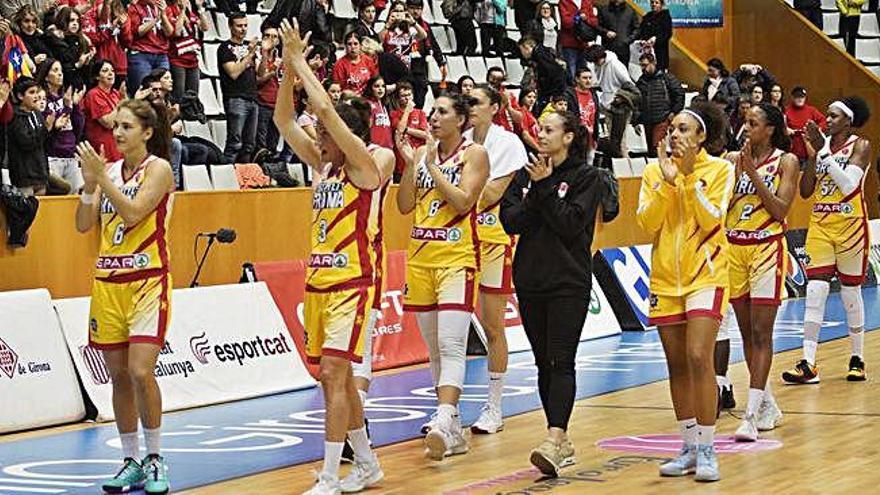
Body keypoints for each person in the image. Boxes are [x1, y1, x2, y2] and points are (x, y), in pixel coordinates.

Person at [273, 19, 394, 494]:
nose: (316, 135)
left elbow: (321, 105)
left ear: (344, 134)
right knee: (337, 381)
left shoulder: (366, 165)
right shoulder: (323, 165)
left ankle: (330, 475)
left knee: (333, 375)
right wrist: (286, 69)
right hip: (319, 284)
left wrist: (301, 62)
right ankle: (367, 463)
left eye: (323, 131)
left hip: (354, 283)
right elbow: (285, 121)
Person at [75, 97, 175, 495]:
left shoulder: (160, 169)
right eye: (115, 125)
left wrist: (105, 179)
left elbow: (134, 213)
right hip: (108, 283)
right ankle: (130, 460)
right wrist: (88, 186)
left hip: (147, 281)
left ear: (147, 132)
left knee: (139, 371)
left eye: (126, 126)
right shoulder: (109, 170)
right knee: (117, 377)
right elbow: (84, 225)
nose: (117, 133)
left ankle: (155, 457)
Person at [500, 110, 602, 476]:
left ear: (570, 136)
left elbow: (570, 225)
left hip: (568, 282)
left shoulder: (588, 177)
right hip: (530, 280)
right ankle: (560, 437)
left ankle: (554, 438)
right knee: (544, 362)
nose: (539, 134)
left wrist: (543, 189)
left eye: (548, 129)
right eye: (539, 129)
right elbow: (511, 220)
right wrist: (539, 190)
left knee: (561, 360)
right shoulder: (525, 175)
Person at [636, 102, 734, 482]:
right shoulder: (652, 171)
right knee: (676, 364)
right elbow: (647, 223)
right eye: (671, 128)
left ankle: (709, 449)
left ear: (701, 137)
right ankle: (689, 446)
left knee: (698, 356)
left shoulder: (721, 169)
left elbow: (712, 219)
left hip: (706, 276)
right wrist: (665, 180)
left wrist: (689, 179)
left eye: (682, 129)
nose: (673, 134)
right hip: (664, 280)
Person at [396, 92, 490, 461]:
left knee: (452, 344)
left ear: (461, 120)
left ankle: (446, 415)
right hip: (421, 259)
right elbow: (404, 205)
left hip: (457, 257)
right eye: (432, 111)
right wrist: (411, 163)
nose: (433, 117)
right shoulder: (422, 155)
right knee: (434, 347)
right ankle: (450, 428)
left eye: (442, 112)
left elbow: (464, 200)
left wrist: (433, 167)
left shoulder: (475, 154)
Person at [784, 96, 872, 384]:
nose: (828, 120)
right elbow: (806, 191)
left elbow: (848, 186)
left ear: (848, 120)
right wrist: (813, 155)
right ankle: (808, 362)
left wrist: (823, 151)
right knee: (816, 291)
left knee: (850, 294)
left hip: (850, 227)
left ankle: (857, 357)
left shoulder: (861, 145)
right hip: (820, 225)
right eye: (827, 116)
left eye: (834, 116)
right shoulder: (821, 149)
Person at [724, 103, 798, 441]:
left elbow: (781, 208)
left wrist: (753, 175)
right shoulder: (731, 160)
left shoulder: (786, 161)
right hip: (734, 248)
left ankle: (750, 416)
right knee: (745, 333)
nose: (746, 127)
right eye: (745, 121)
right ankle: (767, 402)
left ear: (769, 129)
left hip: (767, 246)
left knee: (760, 333)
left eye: (753, 123)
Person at [463, 84, 528, 436]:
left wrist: (456, 185)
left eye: (476, 101)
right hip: (458, 239)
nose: (469, 106)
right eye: (466, 100)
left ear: (495, 107)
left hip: (492, 239)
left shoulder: (508, 143)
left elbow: (487, 196)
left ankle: (495, 405)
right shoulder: (458, 140)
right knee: (452, 330)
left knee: (492, 326)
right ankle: (447, 411)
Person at [37, 58, 86, 192]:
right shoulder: (42, 99)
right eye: (55, 70)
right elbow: (47, 128)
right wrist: (67, 108)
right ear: (46, 77)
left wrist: (74, 106)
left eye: (61, 71)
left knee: (76, 200)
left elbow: (78, 128)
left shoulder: (66, 97)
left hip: (70, 155)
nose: (60, 74)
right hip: (52, 156)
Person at [218, 12, 260, 163]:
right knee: (234, 144)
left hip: (253, 98)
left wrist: (265, 54)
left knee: (249, 145)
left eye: (245, 25)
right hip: (236, 98)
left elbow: (259, 74)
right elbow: (234, 72)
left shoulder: (249, 47)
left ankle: (244, 179)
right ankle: (225, 176)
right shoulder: (224, 48)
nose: (243, 29)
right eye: (239, 26)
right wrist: (249, 54)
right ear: (230, 26)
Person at [7, 77, 51, 196]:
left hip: (40, 174)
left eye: (37, 92)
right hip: (24, 177)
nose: (36, 96)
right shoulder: (15, 117)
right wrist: (46, 128)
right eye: (31, 93)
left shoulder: (37, 114)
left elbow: (43, 143)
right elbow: (26, 143)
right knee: (27, 212)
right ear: (20, 96)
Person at [635, 53, 685, 158]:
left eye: (645, 65)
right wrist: (636, 120)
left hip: (662, 117)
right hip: (647, 119)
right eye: (641, 66)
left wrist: (674, 112)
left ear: (653, 63)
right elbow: (637, 101)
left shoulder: (667, 78)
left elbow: (679, 94)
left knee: (657, 147)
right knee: (650, 150)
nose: (643, 68)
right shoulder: (641, 81)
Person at [126, 0, 173, 95]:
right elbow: (137, 32)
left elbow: (169, 32)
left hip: (161, 54)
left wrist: (163, 15)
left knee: (165, 90)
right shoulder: (135, 7)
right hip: (141, 54)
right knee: (145, 90)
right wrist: (155, 19)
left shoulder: (164, 8)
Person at [406, 0, 447, 109]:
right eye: (412, 8)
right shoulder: (401, 24)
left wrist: (441, 63)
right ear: (407, 8)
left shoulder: (425, 26)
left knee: (420, 98)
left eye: (418, 8)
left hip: (420, 66)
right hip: (405, 66)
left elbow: (434, 45)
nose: (415, 11)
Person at [166, 0, 210, 101]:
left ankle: (192, 115)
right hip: (177, 59)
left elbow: (205, 27)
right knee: (179, 95)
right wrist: (182, 12)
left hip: (193, 59)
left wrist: (200, 9)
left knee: (193, 95)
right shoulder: (170, 10)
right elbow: (177, 31)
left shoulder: (190, 12)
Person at [82, 59, 123, 162]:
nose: (110, 74)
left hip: (118, 147)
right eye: (105, 71)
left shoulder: (116, 93)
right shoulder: (94, 94)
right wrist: (122, 101)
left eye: (112, 71)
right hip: (103, 149)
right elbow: (108, 123)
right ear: (97, 77)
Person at [518, 37, 567, 117]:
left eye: (521, 50)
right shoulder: (546, 53)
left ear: (526, 47)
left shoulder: (540, 56)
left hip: (550, 93)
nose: (522, 54)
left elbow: (552, 73)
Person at [87, 0, 130, 89]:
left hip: (119, 65)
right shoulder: (91, 15)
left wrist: (123, 27)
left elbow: (128, 42)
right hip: (101, 64)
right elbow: (94, 39)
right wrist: (110, 29)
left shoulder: (122, 14)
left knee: (119, 97)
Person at [390, 81, 429, 180]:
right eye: (403, 96)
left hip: (419, 161)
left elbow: (425, 134)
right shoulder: (394, 114)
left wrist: (407, 130)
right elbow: (400, 129)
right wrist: (407, 110)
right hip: (401, 163)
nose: (407, 98)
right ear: (398, 98)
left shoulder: (421, 113)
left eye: (409, 94)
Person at [784, 86, 825, 167]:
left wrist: (816, 130)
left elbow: (823, 121)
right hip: (793, 153)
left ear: (805, 98)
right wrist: (786, 130)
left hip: (809, 152)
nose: (800, 99)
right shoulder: (786, 111)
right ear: (792, 98)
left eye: (802, 97)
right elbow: (780, 126)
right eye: (797, 97)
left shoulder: (812, 110)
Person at [558, 0, 597, 81]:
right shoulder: (564, 2)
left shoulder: (587, 2)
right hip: (569, 44)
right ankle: (571, 92)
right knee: (571, 74)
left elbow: (594, 21)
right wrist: (577, 18)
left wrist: (587, 18)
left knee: (583, 73)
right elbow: (566, 22)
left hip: (584, 43)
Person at [332, 31, 379, 95]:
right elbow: (338, 88)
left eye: (355, 44)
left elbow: (375, 81)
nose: (353, 47)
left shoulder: (368, 61)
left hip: (368, 98)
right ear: (345, 46)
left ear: (360, 46)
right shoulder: (339, 64)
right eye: (349, 44)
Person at [597, 0, 639, 66]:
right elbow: (597, 26)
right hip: (608, 49)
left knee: (623, 73)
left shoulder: (630, 11)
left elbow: (636, 29)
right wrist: (606, 32)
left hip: (624, 50)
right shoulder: (604, 10)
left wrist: (628, 40)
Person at [635, 0, 672, 71]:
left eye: (656, 2)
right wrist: (642, 40)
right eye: (652, 2)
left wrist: (656, 38)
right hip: (646, 52)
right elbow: (641, 31)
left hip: (660, 53)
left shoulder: (666, 16)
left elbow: (667, 33)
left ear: (661, 4)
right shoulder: (647, 17)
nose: (654, 4)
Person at [363, 76, 394, 150]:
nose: (380, 89)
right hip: (374, 148)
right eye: (377, 86)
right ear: (370, 88)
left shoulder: (384, 106)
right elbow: (366, 128)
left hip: (388, 147)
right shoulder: (368, 104)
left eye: (383, 86)